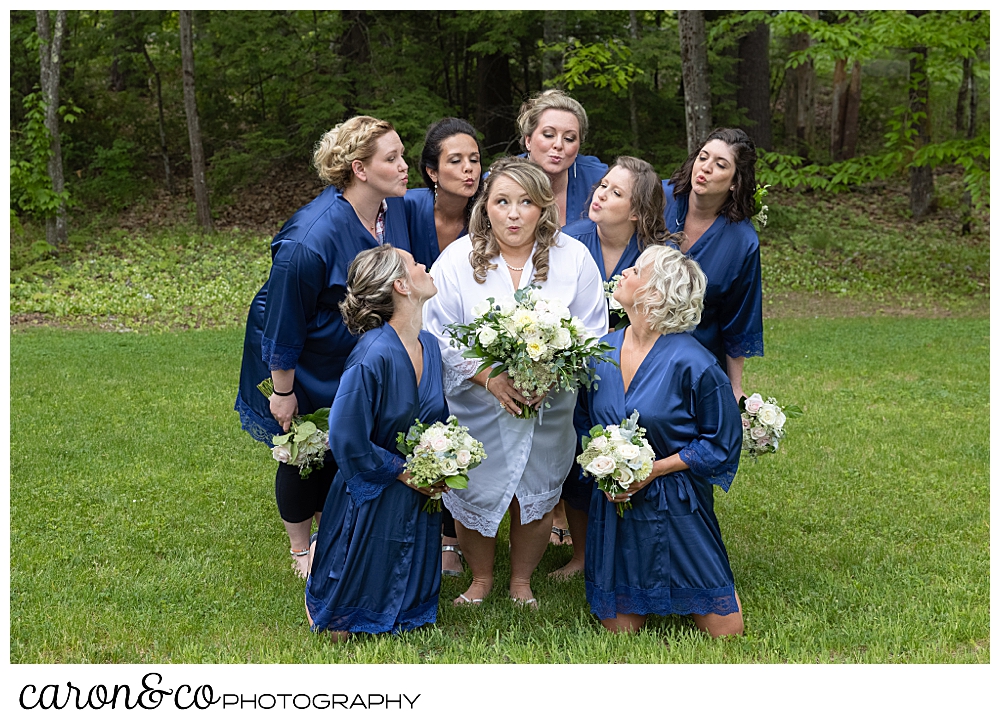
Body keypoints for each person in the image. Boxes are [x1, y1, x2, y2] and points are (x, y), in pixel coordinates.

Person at [423, 156, 607, 607]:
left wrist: (550, 374)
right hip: (478, 402)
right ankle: (481, 578)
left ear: (543, 207)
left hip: (548, 400)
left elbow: (592, 327)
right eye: (502, 201)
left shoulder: (573, 257)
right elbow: (436, 331)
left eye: (525, 202)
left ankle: (521, 581)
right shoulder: (457, 259)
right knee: (475, 485)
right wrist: (488, 378)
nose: (513, 213)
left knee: (538, 488)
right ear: (486, 206)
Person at [234, 116, 411, 578]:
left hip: (348, 355)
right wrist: (283, 389)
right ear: (359, 169)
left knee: (345, 441)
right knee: (303, 449)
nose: (404, 166)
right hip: (303, 360)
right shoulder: (308, 239)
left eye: (402, 155)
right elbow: (283, 318)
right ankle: (299, 551)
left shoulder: (389, 213)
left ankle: (332, 531)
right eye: (391, 159)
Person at [576, 245, 744, 637]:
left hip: (676, 504)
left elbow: (721, 441)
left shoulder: (696, 363)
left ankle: (687, 580)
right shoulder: (601, 352)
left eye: (635, 270)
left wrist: (655, 469)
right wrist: (605, 467)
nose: (623, 273)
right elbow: (583, 421)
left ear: (654, 292)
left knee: (727, 629)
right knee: (620, 629)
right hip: (616, 506)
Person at [306, 244, 448, 639]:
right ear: (401, 285)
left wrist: (444, 462)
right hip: (373, 493)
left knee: (407, 622)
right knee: (343, 629)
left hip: (419, 498)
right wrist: (404, 472)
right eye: (414, 263)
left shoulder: (430, 348)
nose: (424, 265)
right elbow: (346, 434)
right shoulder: (372, 354)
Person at [553, 155, 672, 579]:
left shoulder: (658, 256)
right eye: (603, 185)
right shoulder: (570, 238)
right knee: (577, 452)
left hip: (638, 368)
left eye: (615, 192)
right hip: (574, 366)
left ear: (637, 212)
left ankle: (643, 541)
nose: (600, 194)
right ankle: (583, 554)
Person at [404, 117, 484, 578]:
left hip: (465, 336)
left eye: (474, 159)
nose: (469, 170)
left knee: (458, 422)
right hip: (409, 331)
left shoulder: (485, 214)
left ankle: (453, 535)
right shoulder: (407, 209)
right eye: (456, 161)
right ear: (433, 171)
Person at [662, 127, 764, 401]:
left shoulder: (742, 242)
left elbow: (740, 316)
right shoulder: (659, 198)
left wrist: (735, 386)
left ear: (735, 181)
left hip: (697, 357)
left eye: (720, 165)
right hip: (634, 341)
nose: (705, 168)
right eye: (703, 157)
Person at [517, 89, 608, 227]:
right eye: (548, 135)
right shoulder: (500, 181)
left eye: (569, 138)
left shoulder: (600, 181)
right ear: (528, 141)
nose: (558, 145)